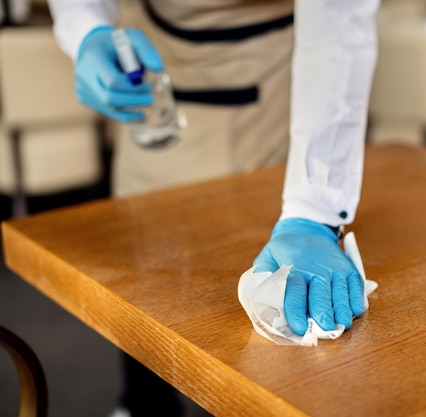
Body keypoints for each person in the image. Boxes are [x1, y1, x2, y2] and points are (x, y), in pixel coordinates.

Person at [47, 0, 380, 416]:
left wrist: (312, 211)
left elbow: (338, 22)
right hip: (158, 78)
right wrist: (86, 29)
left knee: (248, 324)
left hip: (273, 86)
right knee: (144, 277)